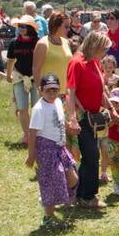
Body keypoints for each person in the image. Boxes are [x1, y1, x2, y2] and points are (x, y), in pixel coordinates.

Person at [65, 31, 111, 210]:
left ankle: (82, 194)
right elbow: (70, 92)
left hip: (93, 117)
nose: (105, 53)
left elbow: (100, 89)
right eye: (103, 49)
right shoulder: (77, 62)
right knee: (91, 155)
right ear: (94, 47)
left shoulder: (94, 62)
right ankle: (86, 196)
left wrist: (111, 109)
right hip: (83, 118)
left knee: (91, 156)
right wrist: (72, 119)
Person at [25, 73, 77, 225]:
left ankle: (58, 197)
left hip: (60, 147)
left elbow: (60, 121)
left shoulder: (58, 102)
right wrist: (31, 155)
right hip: (46, 148)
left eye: (55, 90)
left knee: (73, 178)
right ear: (40, 90)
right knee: (52, 181)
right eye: (48, 90)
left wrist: (70, 127)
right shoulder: (39, 109)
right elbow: (33, 133)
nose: (52, 93)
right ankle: (48, 216)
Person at [5, 15, 40, 141]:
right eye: (19, 26)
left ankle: (37, 134)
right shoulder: (15, 42)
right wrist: (9, 75)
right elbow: (10, 60)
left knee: (37, 108)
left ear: (30, 28)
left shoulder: (38, 42)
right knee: (22, 108)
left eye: (24, 26)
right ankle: (27, 135)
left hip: (35, 77)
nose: (21, 29)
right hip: (19, 77)